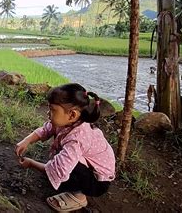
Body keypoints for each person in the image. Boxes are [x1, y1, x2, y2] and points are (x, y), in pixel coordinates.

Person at [15, 83, 115, 212]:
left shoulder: (77, 138)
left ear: (72, 115)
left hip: (98, 182)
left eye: (52, 110)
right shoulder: (72, 121)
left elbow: (60, 167)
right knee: (64, 158)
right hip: (89, 168)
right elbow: (48, 128)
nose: (48, 113)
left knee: (65, 164)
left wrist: (32, 164)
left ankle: (79, 196)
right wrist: (27, 140)